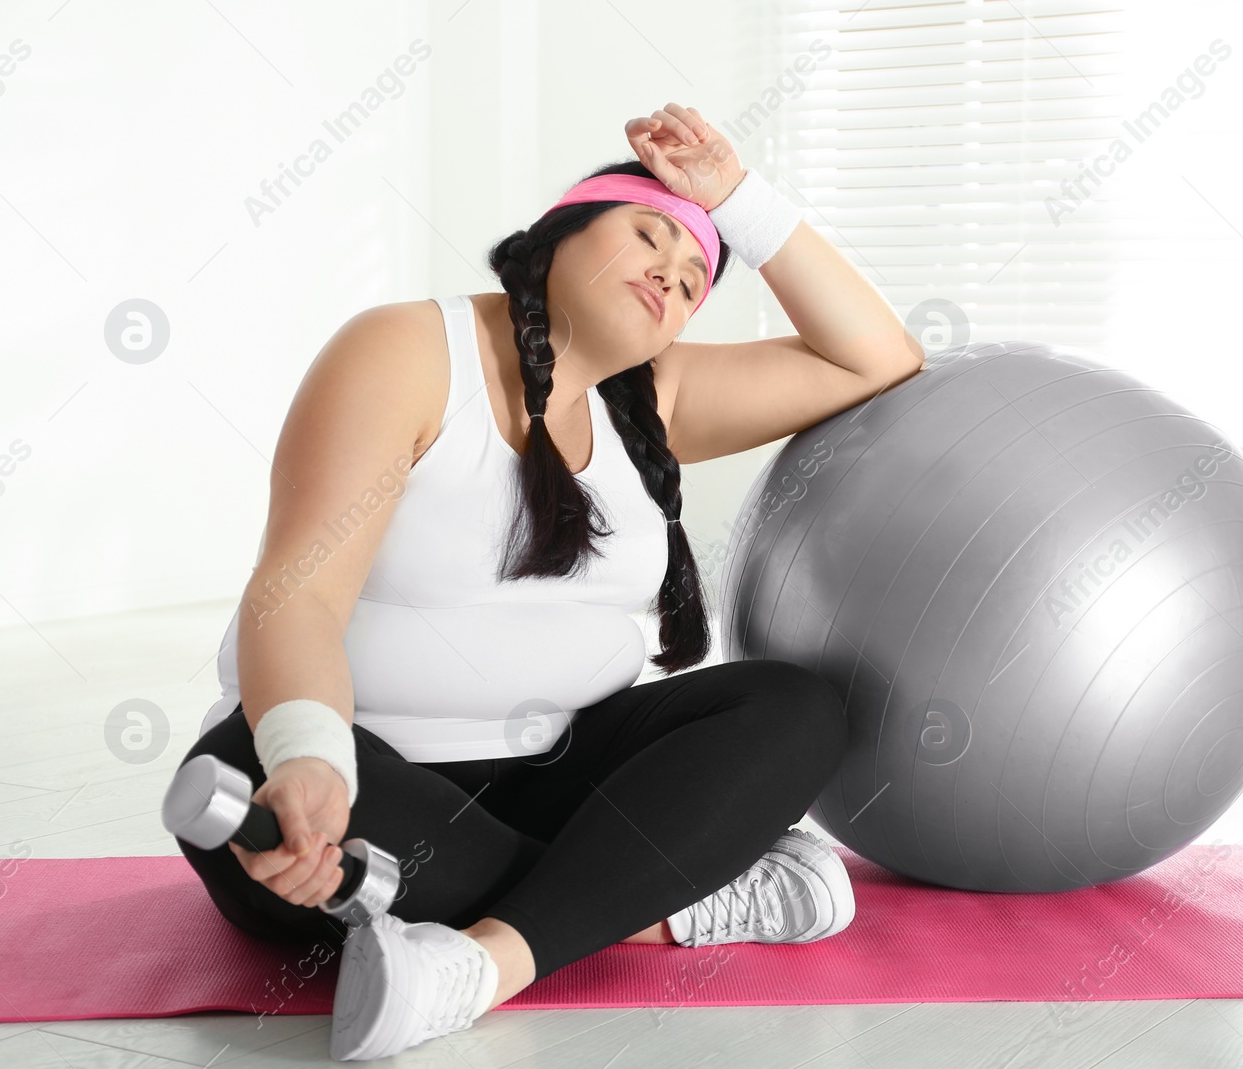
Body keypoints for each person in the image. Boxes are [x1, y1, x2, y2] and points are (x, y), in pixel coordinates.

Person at [173, 102, 923, 1062]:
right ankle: (666, 898)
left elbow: (878, 356)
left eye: (695, 277)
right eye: (648, 233)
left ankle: (483, 961)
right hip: (371, 783)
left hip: (567, 776)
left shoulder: (654, 399)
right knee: (242, 774)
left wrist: (738, 196)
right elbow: (298, 593)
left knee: (796, 704)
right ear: (557, 234)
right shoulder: (404, 349)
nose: (671, 271)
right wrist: (309, 758)